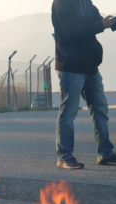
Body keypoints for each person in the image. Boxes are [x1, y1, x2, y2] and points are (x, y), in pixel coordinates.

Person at [52, 0, 116, 170]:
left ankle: (106, 153)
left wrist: (109, 22)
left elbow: (96, 20)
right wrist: (100, 24)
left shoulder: (86, 2)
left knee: (101, 110)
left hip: (90, 66)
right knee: (69, 112)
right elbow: (71, 30)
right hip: (71, 66)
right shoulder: (61, 3)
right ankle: (64, 157)